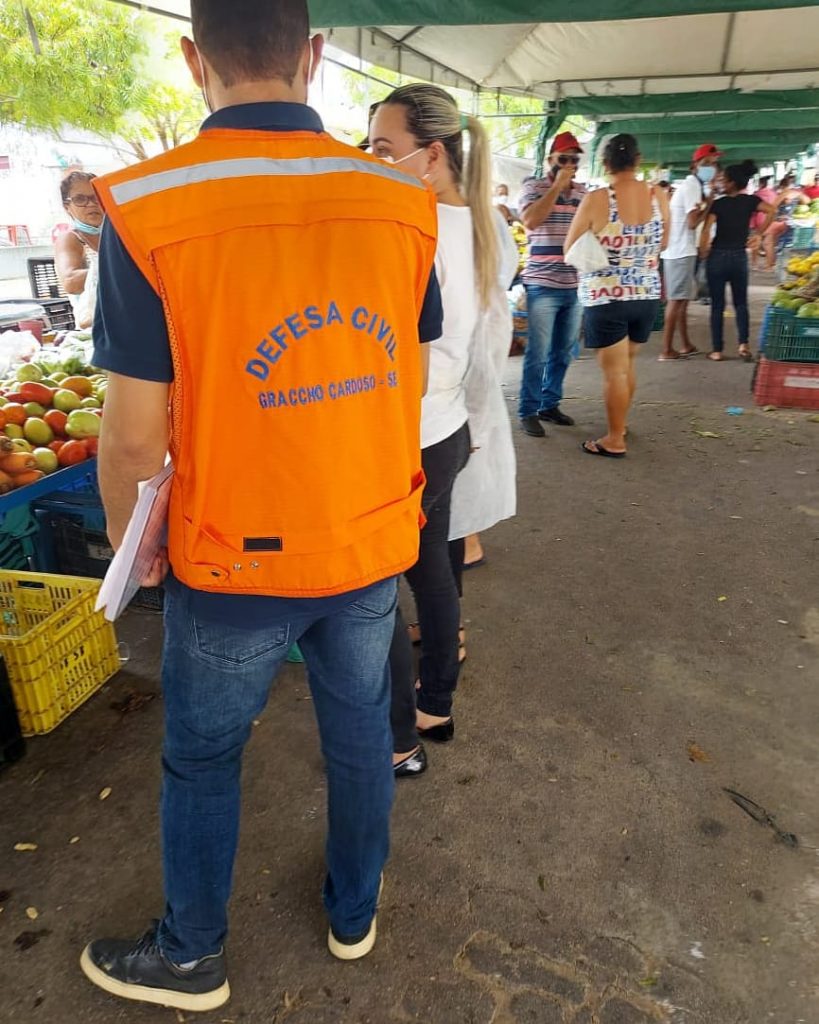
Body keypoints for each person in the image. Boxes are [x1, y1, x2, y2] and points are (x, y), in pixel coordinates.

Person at [79, 0, 443, 1011]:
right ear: (314, 55)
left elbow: (132, 438)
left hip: (232, 558)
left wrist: (133, 547)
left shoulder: (149, 206)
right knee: (361, 733)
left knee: (203, 756)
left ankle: (192, 955)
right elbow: (404, 380)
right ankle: (353, 912)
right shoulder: (401, 197)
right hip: (367, 539)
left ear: (192, 56)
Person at [368, 83, 497, 758]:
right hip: (445, 426)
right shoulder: (475, 221)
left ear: (433, 154)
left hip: (412, 432)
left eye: (383, 149)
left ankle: (422, 714)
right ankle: (437, 693)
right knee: (435, 564)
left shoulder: (419, 229)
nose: (371, 162)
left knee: (405, 579)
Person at [563, 134, 669, 458]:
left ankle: (614, 440)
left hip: (607, 296)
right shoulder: (658, 195)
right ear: (638, 160)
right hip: (646, 294)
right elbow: (664, 244)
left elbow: (570, 248)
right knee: (628, 364)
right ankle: (619, 425)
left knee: (614, 372)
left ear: (606, 163)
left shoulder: (596, 199)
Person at [450, 207, 519, 572]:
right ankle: (466, 540)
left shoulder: (478, 302)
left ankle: (467, 542)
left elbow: (482, 373)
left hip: (464, 386)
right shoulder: (483, 219)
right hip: (466, 374)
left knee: (466, 451)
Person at [517, 132, 586, 437]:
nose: (570, 165)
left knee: (563, 351)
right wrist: (556, 186)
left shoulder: (583, 193)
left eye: (574, 159)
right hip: (542, 283)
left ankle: (550, 403)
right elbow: (530, 221)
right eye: (563, 159)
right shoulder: (533, 187)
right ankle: (528, 410)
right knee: (538, 352)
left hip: (574, 283)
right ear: (550, 160)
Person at [699, 161, 777, 362]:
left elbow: (706, 229)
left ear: (732, 183)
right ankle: (743, 345)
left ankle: (717, 350)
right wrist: (758, 234)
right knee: (741, 303)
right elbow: (772, 210)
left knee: (717, 305)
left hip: (717, 257)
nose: (721, 183)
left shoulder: (718, 204)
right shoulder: (750, 201)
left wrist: (703, 249)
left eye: (724, 180)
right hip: (739, 257)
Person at [658, 142, 722, 360]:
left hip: (680, 250)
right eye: (707, 163)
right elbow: (693, 222)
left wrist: (709, 198)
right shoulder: (692, 186)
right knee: (676, 301)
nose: (711, 168)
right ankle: (666, 349)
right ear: (695, 166)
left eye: (714, 164)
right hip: (680, 251)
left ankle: (685, 344)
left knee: (682, 300)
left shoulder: (693, 185)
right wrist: (708, 205)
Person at [54, 171, 102, 329]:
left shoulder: (116, 235)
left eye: (97, 197)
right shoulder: (70, 238)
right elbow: (70, 282)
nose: (91, 204)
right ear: (67, 207)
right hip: (94, 328)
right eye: (80, 199)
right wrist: (115, 270)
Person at [749, 175, 778, 270]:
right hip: (769, 221)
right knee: (769, 244)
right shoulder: (773, 194)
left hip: (757, 221)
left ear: (760, 184)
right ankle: (769, 265)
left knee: (755, 242)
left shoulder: (756, 195)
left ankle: (754, 264)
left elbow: (752, 210)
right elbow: (775, 208)